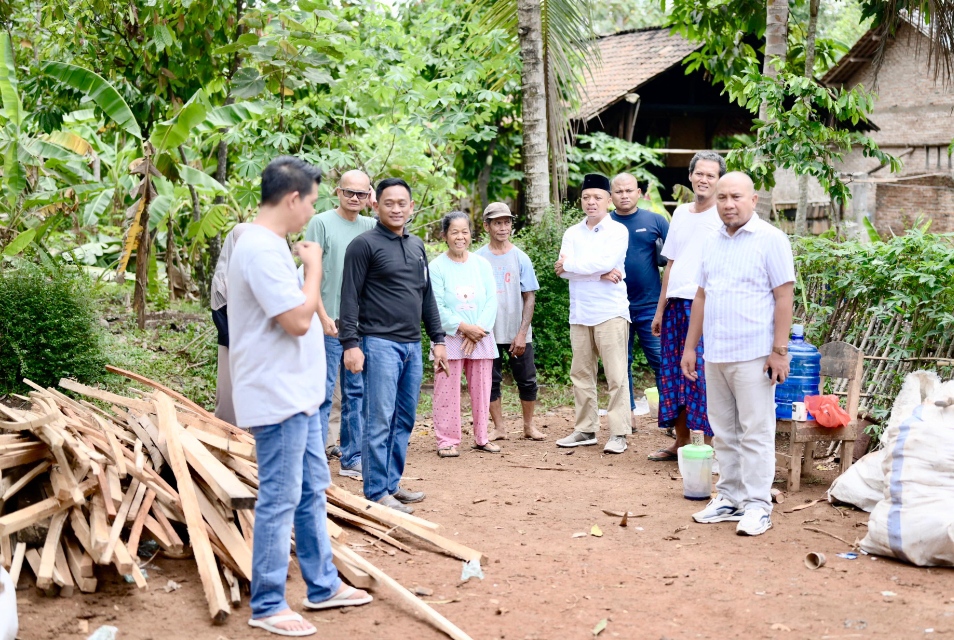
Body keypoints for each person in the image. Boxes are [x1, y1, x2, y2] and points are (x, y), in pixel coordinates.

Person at [228, 156, 371, 637]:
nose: (312, 211)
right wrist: (314, 268)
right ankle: (267, 603)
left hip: (301, 395)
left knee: (312, 489)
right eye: (310, 201)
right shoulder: (260, 248)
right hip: (279, 395)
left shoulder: (270, 245)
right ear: (292, 199)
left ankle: (322, 585)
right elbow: (297, 320)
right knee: (280, 495)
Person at [681, 171, 795, 537]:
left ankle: (758, 505)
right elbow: (702, 295)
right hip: (716, 353)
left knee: (756, 432)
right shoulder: (712, 240)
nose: (728, 204)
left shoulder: (771, 239)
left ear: (753, 200)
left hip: (754, 354)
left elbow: (784, 297)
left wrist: (779, 351)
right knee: (724, 432)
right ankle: (729, 498)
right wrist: (690, 347)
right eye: (723, 197)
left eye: (736, 197)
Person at [339, 178, 448, 514]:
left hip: (412, 346)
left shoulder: (417, 246)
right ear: (376, 205)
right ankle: (375, 492)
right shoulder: (363, 245)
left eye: (402, 203)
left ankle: (391, 484)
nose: (396, 208)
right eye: (389, 203)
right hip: (379, 343)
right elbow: (349, 298)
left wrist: (438, 339)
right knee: (379, 419)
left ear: (411, 207)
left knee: (404, 418)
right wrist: (350, 344)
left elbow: (425, 296)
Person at [648, 152, 726, 462]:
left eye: (711, 175)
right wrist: (659, 309)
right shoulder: (680, 213)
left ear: (718, 180)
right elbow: (670, 264)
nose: (704, 179)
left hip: (704, 305)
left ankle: (708, 446)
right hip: (674, 306)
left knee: (701, 375)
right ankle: (680, 443)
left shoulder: (722, 215)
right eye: (700, 174)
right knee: (672, 374)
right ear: (691, 176)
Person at [304, 170, 377, 480]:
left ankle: (351, 457)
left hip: (362, 326)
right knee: (321, 393)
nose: (355, 198)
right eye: (349, 192)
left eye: (362, 194)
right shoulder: (320, 223)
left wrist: (376, 207)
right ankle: (316, 457)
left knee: (356, 393)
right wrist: (321, 316)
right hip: (329, 321)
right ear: (337, 192)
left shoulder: (373, 226)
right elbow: (311, 274)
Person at [554, 173, 632, 454]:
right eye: (586, 197)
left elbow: (604, 261)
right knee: (581, 373)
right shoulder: (572, 232)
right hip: (580, 312)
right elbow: (562, 272)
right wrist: (599, 273)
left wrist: (583, 267)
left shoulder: (617, 231)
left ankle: (619, 433)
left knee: (615, 375)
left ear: (608, 201)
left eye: (597, 197)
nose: (591, 202)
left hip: (610, 312)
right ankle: (586, 428)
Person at [429, 211, 500, 457]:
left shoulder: (482, 264)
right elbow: (436, 305)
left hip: (480, 334)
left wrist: (477, 330)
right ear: (445, 235)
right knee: (446, 389)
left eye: (465, 231)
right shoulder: (436, 267)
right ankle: (447, 440)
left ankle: (482, 437)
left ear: (471, 234)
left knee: (482, 388)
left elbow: (491, 299)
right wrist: (463, 328)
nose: (460, 237)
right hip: (448, 338)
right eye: (454, 232)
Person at [476, 202, 546, 442]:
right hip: (487, 333)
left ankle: (529, 425)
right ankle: (499, 428)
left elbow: (529, 296)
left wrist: (522, 332)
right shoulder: (477, 259)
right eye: (497, 223)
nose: (503, 227)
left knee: (527, 379)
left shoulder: (520, 257)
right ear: (487, 226)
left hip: (516, 331)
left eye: (507, 222)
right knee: (490, 380)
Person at [609, 173, 668, 426]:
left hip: (650, 305)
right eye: (619, 191)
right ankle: (628, 414)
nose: (624, 195)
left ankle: (670, 417)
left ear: (639, 192)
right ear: (611, 195)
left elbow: (676, 258)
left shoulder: (655, 220)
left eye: (629, 191)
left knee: (661, 361)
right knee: (621, 364)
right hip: (614, 306)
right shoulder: (604, 223)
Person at [210, 222, 252, 426]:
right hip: (231, 341)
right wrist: (233, 341)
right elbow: (217, 311)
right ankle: (227, 429)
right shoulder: (222, 275)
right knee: (229, 389)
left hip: (255, 342)